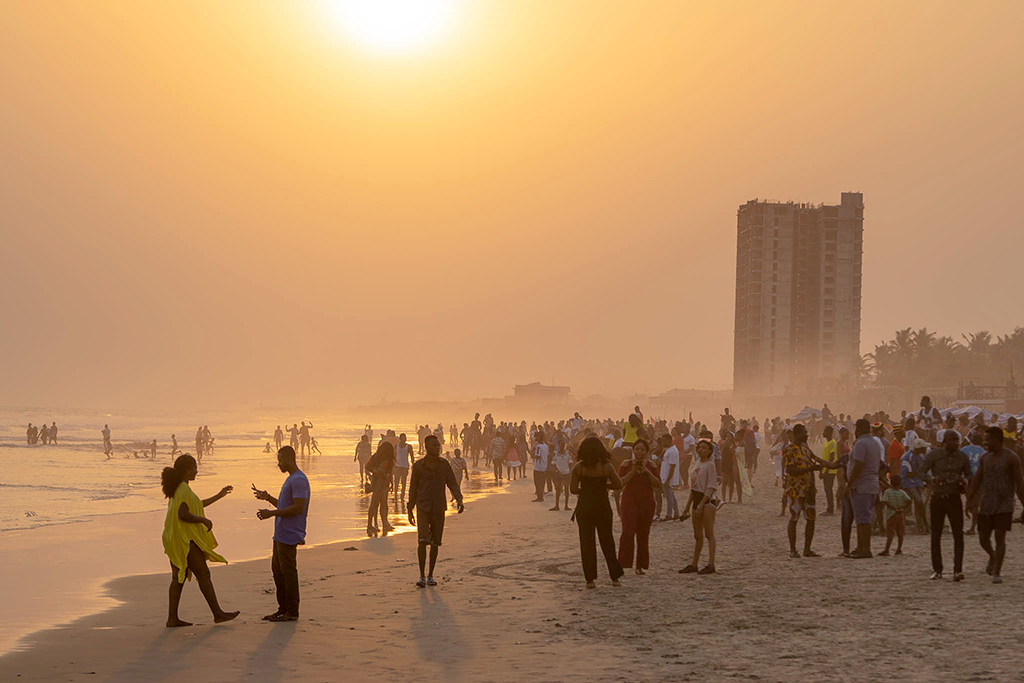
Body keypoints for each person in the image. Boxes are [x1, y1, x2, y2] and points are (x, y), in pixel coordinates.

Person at [161, 454, 238, 627]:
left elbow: (196, 505)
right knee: (203, 574)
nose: (196, 471)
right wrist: (203, 520)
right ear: (188, 471)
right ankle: (218, 614)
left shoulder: (179, 488)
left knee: (178, 578)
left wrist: (219, 495)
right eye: (194, 468)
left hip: (173, 538)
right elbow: (183, 514)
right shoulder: (183, 489)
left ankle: (172, 618)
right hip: (184, 539)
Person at [253, 446, 310, 621]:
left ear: (287, 459)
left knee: (288, 573)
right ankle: (282, 608)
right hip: (280, 534)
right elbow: (285, 506)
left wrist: (271, 514)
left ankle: (292, 611)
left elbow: (298, 508)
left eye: (280, 460)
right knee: (278, 572)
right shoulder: (291, 479)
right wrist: (268, 498)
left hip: (290, 534)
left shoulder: (299, 479)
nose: (278, 464)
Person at [966, 427, 1024, 584]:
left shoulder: (1011, 458)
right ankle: (992, 556)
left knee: (1000, 537)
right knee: (983, 538)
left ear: (998, 440)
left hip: (1004, 503)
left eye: (989, 439)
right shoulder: (985, 458)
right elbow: (977, 480)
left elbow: (1019, 483)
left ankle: (997, 571)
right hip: (986, 503)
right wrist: (969, 500)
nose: (986, 442)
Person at [408, 435, 464, 588]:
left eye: (438, 445)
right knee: (422, 541)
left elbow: (452, 483)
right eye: (433, 446)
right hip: (423, 507)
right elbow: (412, 488)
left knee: (435, 543)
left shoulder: (444, 465)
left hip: (439, 507)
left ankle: (430, 575)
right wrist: (409, 509)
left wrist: (459, 499)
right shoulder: (419, 466)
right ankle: (421, 576)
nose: (437, 448)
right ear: (426, 447)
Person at [570, 436, 624, 589]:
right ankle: (614, 577)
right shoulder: (606, 467)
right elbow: (618, 484)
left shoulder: (578, 468)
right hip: (602, 506)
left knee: (587, 543)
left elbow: (573, 489)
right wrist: (603, 486)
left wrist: (586, 490)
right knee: (607, 541)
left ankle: (590, 580)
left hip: (585, 506)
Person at [919, 430, 971, 581]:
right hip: (938, 498)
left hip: (954, 498)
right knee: (936, 535)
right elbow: (921, 471)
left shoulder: (962, 456)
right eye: (952, 440)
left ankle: (958, 570)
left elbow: (969, 474)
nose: (954, 443)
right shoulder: (934, 455)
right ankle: (937, 570)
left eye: (957, 440)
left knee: (958, 535)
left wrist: (963, 480)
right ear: (944, 441)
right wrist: (932, 479)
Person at [617, 439, 661, 575]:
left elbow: (658, 483)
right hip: (629, 500)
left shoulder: (652, 465)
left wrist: (646, 471)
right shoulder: (626, 463)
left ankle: (640, 566)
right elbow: (620, 482)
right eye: (637, 449)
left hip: (646, 501)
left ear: (646, 452)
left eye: (642, 449)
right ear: (633, 450)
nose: (639, 452)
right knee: (628, 532)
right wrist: (634, 471)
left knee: (643, 534)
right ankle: (623, 564)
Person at [782, 424, 825, 558]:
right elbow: (790, 470)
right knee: (794, 518)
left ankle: (807, 549)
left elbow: (813, 461)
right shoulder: (789, 449)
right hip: (796, 489)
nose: (806, 435)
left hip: (808, 489)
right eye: (804, 433)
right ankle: (793, 550)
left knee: (811, 519)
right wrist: (810, 470)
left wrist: (813, 485)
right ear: (797, 433)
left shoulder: (805, 447)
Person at [680, 440, 719, 574]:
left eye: (704, 448)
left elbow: (711, 487)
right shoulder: (696, 464)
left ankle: (711, 564)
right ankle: (694, 563)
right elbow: (693, 488)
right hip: (696, 499)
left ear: (709, 451)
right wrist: (687, 507)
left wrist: (701, 505)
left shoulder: (710, 465)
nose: (701, 450)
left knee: (709, 533)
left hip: (707, 501)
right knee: (697, 535)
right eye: (699, 447)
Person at [847, 419, 883, 559]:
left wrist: (849, 484)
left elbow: (858, 466)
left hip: (862, 485)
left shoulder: (861, 444)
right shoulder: (873, 442)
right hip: (871, 484)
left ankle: (865, 549)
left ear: (860, 429)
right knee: (861, 517)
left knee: (863, 518)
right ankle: (860, 546)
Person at [364, 440, 396, 536]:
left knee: (382, 504)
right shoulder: (377, 457)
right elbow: (368, 466)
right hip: (378, 483)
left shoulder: (386, 458)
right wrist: (377, 471)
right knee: (376, 504)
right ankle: (371, 525)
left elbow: (389, 472)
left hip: (383, 483)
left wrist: (391, 483)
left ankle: (383, 524)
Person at [900, 438, 931, 534]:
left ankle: (920, 525)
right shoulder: (906, 457)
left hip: (917, 482)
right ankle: (923, 525)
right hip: (909, 483)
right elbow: (908, 474)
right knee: (919, 502)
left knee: (919, 504)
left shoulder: (920, 456)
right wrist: (920, 475)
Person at [879, 474, 912, 556]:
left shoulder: (887, 492)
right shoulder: (902, 492)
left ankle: (887, 550)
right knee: (900, 533)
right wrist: (902, 508)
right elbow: (909, 500)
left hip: (891, 514)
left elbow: (885, 501)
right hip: (900, 514)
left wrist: (894, 508)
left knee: (890, 533)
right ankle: (899, 549)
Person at [550, 437, 573, 511]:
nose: (562, 446)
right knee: (558, 490)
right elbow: (554, 464)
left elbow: (570, 463)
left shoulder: (567, 453)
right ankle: (557, 505)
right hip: (558, 473)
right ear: (559, 445)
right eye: (561, 444)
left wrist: (569, 472)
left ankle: (566, 505)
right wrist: (558, 472)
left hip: (566, 473)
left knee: (566, 490)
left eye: (563, 444)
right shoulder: (556, 454)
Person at [820, 426, 838, 514]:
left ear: (829, 432)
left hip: (830, 470)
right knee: (827, 489)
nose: (823, 433)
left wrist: (826, 471)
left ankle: (830, 509)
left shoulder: (832, 443)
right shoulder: (826, 443)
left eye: (824, 431)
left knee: (828, 489)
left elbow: (831, 458)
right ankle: (829, 508)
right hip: (825, 469)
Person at [394, 433, 415, 505]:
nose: (404, 439)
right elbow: (393, 455)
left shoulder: (408, 446)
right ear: (400, 438)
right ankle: (396, 495)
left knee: (404, 481)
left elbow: (412, 455)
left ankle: (402, 496)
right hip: (397, 466)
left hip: (405, 466)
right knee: (396, 481)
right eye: (402, 438)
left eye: (405, 438)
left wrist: (413, 464)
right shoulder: (396, 446)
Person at [531, 431, 549, 503]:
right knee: (542, 482)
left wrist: (533, 456)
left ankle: (539, 496)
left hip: (538, 467)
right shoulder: (546, 446)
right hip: (544, 466)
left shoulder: (538, 447)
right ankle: (541, 496)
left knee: (537, 482)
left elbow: (538, 456)